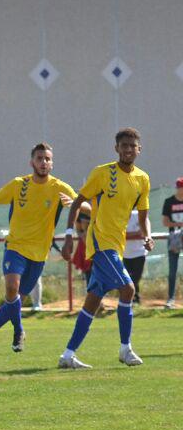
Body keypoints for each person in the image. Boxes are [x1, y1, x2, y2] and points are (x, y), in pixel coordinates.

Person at [0, 143, 74, 354]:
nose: (43, 162)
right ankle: (19, 331)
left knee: (13, 303)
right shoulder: (18, 184)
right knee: (11, 289)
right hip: (15, 247)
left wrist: (76, 203)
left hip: (39, 253)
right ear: (32, 162)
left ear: (52, 163)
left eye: (47, 159)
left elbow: (84, 205)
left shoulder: (59, 187)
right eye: (40, 158)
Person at [58, 128, 152, 369]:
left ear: (139, 149)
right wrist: (69, 234)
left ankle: (67, 355)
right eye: (124, 145)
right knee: (128, 289)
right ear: (116, 148)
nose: (128, 149)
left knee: (92, 301)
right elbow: (78, 202)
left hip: (116, 245)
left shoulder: (142, 179)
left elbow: (143, 217)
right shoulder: (103, 173)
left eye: (132, 145)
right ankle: (125, 349)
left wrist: (147, 236)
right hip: (100, 242)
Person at [162, 178, 183, 308]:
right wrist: (178, 224)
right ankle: (171, 299)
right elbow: (165, 222)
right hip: (174, 236)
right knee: (172, 270)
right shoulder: (169, 202)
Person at [122, 209, 148, 304]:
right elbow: (120, 233)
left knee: (136, 277)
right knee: (129, 279)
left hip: (140, 252)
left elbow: (144, 230)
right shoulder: (120, 215)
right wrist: (135, 233)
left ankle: (133, 298)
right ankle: (134, 299)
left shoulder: (138, 214)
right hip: (125, 253)